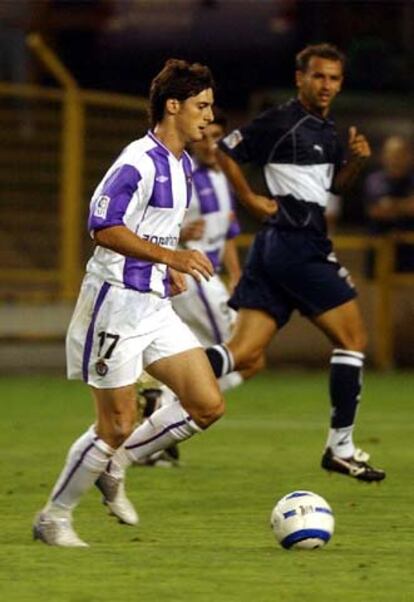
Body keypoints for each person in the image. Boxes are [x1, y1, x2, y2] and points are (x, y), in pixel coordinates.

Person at [33, 58, 225, 547]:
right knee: (116, 422)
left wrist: (166, 270)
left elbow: (152, 229)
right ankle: (54, 516)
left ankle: (115, 462)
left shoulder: (181, 163)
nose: (209, 115)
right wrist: (170, 256)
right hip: (114, 302)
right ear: (173, 106)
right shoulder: (138, 161)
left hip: (153, 302)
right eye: (201, 106)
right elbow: (103, 225)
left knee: (206, 405)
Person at [205, 43, 386, 482]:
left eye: (334, 79)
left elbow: (336, 188)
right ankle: (340, 447)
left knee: (243, 353)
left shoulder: (327, 130)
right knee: (353, 338)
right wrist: (248, 197)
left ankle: (164, 377)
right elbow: (226, 150)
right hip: (296, 244)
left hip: (276, 247)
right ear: (300, 77)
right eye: (319, 76)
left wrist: (357, 163)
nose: (326, 85)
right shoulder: (281, 120)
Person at [136, 111, 264, 468]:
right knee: (249, 354)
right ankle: (170, 407)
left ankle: (159, 405)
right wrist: (178, 237)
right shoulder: (181, 173)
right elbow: (144, 227)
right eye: (205, 136)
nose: (211, 144)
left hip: (214, 277)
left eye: (218, 137)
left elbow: (226, 234)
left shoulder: (224, 175)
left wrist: (235, 274)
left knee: (207, 357)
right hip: (191, 278)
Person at [364, 135, 414, 273]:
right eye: (392, 154)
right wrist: (405, 206)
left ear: (410, 156)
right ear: (383, 156)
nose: (396, 159)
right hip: (379, 253)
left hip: (410, 253)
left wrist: (391, 204)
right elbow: (377, 210)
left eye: (401, 154)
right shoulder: (374, 180)